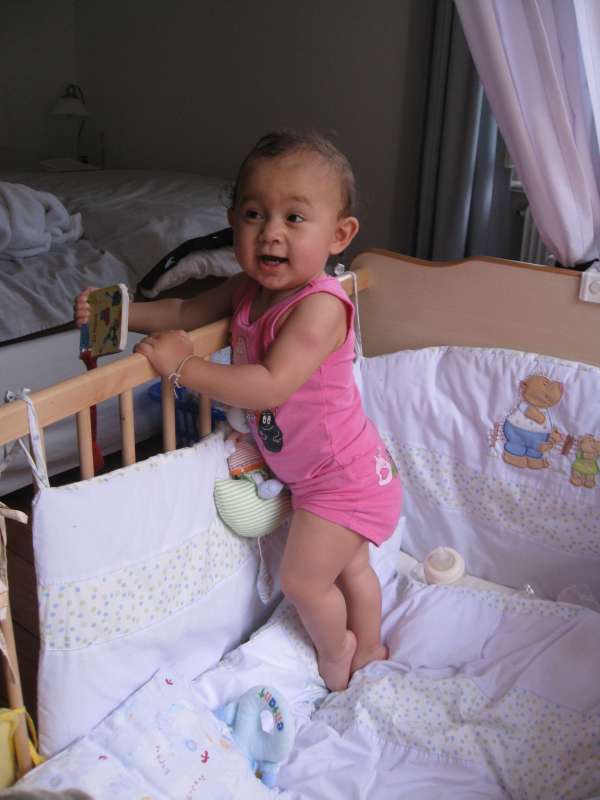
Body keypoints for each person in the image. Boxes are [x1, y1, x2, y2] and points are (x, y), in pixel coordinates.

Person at [74, 131, 402, 691]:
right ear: (232, 223)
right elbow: (185, 312)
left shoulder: (320, 307)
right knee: (350, 567)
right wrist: (124, 314)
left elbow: (270, 385)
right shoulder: (245, 288)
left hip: (342, 477)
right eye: (254, 214)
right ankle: (372, 646)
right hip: (321, 472)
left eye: (294, 218)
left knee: (304, 582)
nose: (270, 232)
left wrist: (184, 367)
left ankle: (339, 652)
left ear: (339, 235)